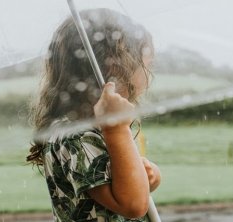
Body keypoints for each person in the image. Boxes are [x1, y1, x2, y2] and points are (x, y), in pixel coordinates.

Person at [26, 8, 161, 221]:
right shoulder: (76, 135)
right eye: (146, 66)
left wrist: (146, 175)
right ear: (116, 67)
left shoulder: (87, 127)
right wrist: (116, 129)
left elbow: (125, 185)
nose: (150, 76)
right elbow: (133, 204)